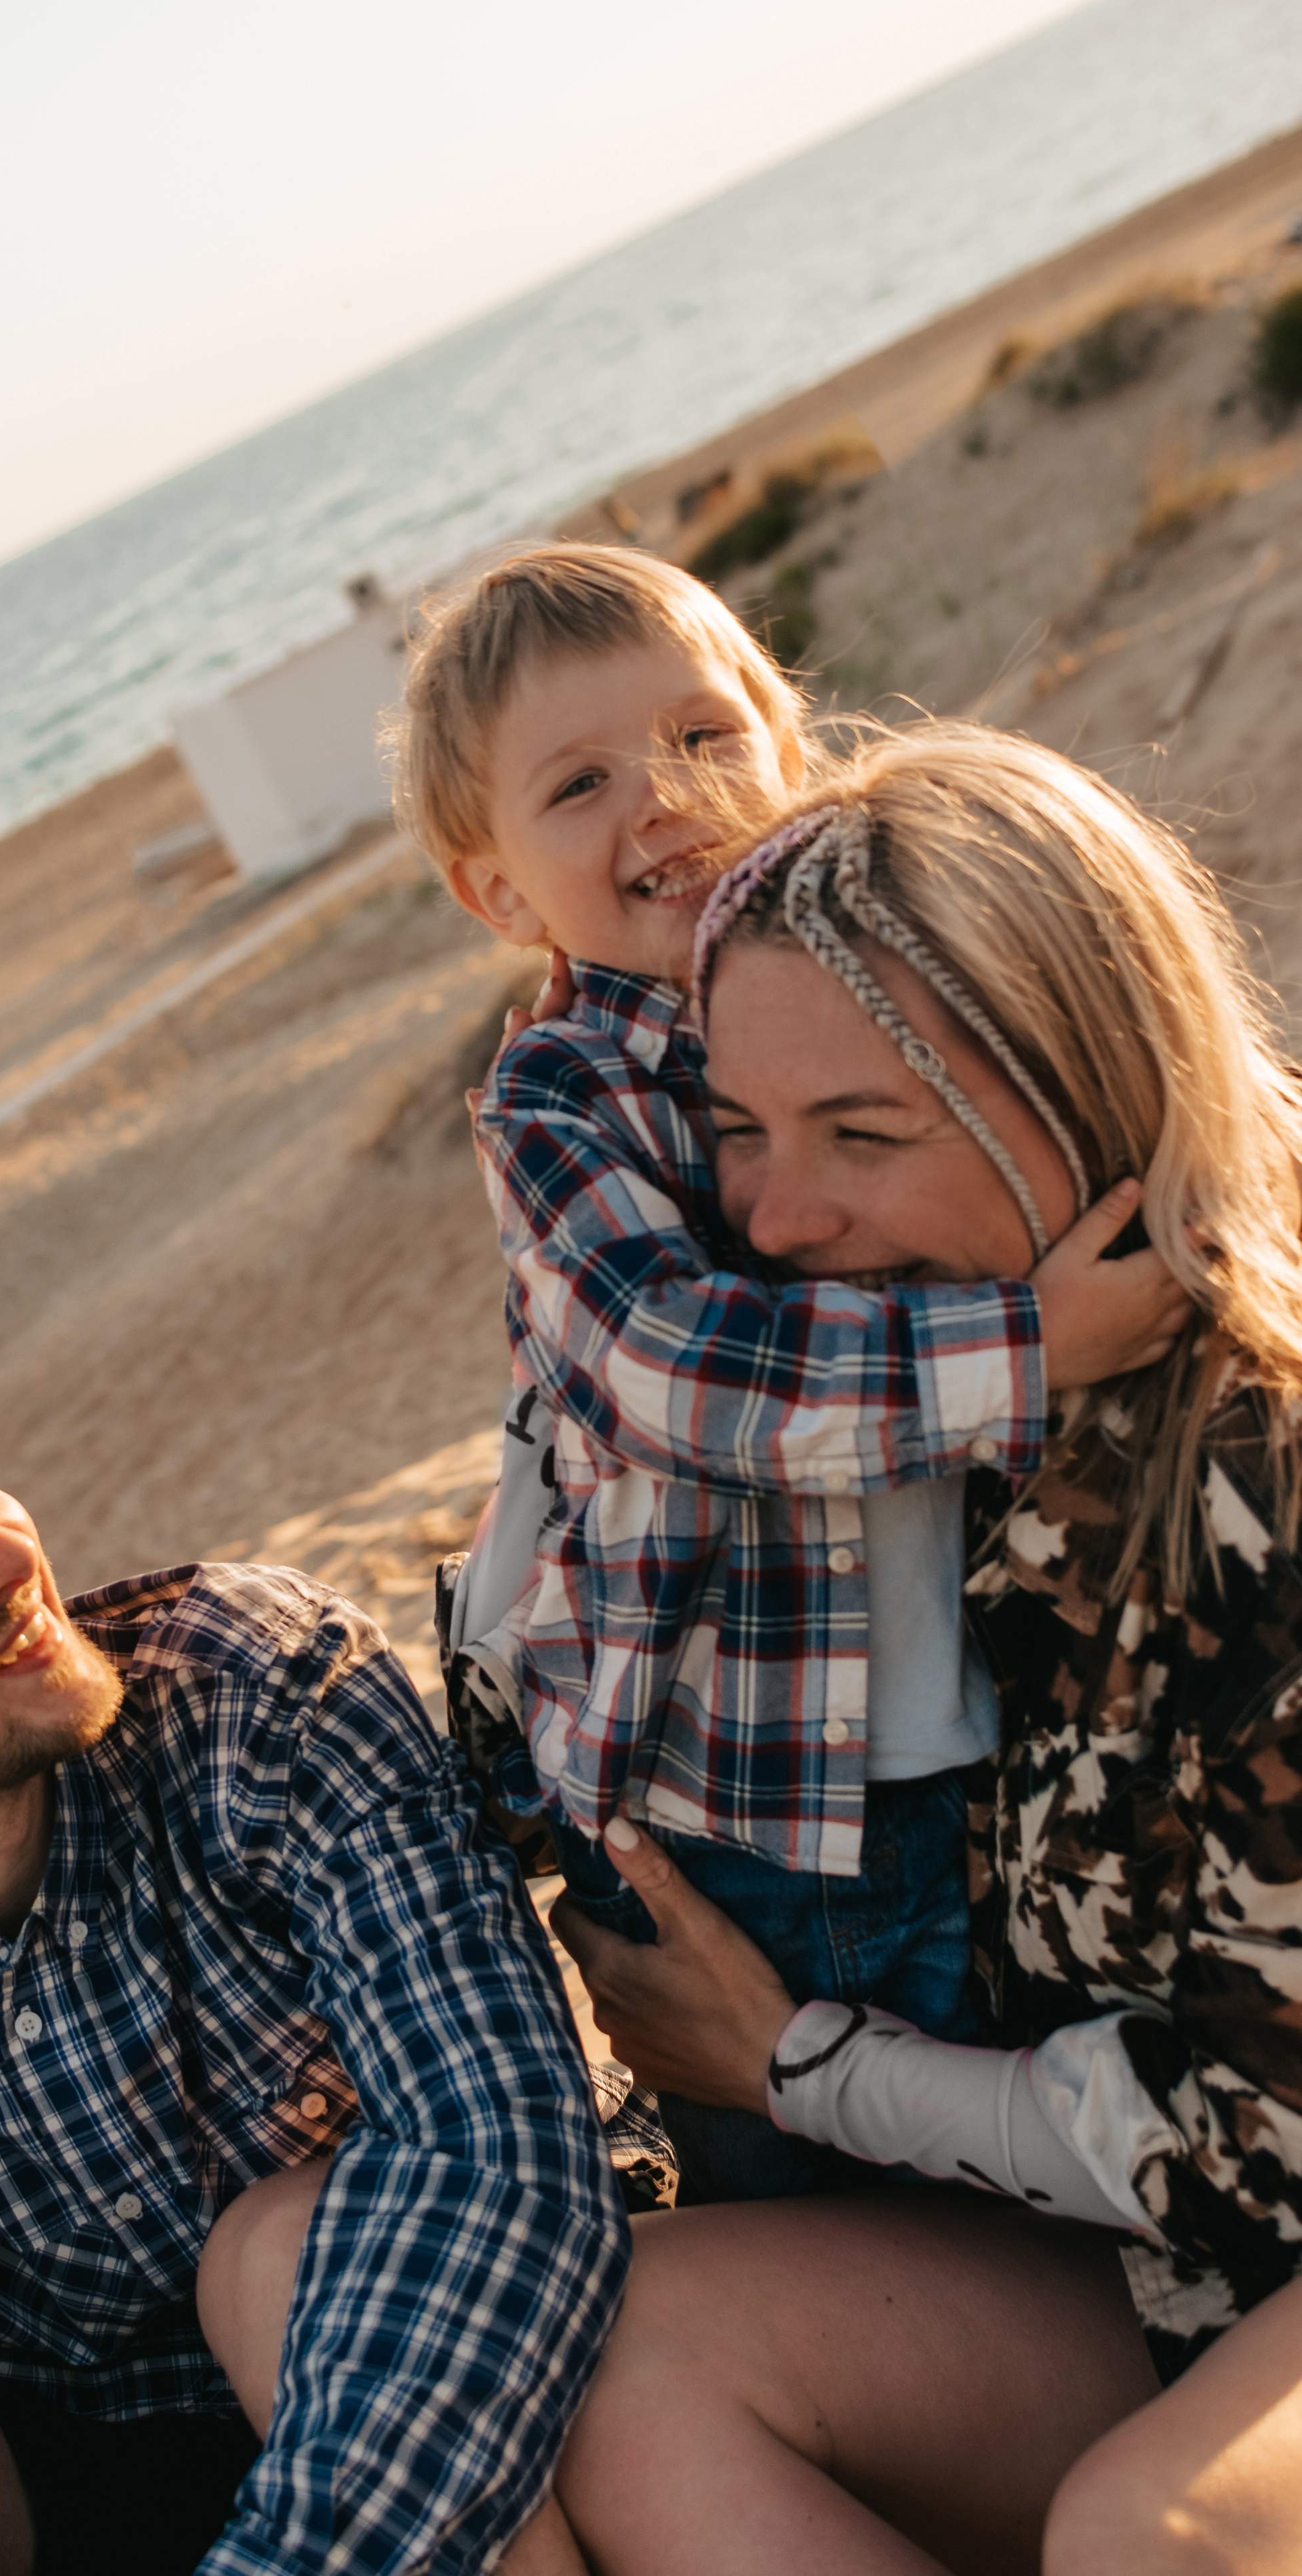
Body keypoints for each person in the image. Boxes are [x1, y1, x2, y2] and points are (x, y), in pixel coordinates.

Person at [543, 723, 1302, 2572]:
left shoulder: (1261, 1472)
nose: (778, 1221)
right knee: (626, 2360)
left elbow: (1265, 2138)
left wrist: (799, 2067)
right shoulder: (883, 1416)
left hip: (1261, 2198)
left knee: (1145, 2529)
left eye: (863, 1135)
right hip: (1161, 2271)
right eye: (737, 1126)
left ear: (1103, 1096)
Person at [0, 1248, 626, 2576]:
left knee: (288, 2247)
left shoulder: (248, 1690)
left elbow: (497, 2150)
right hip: (74, 2472)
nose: (2, 1554)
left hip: (428, 2360)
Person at [391, 543, 1189, 2199]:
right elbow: (680, 1377)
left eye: (701, 735)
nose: (662, 800)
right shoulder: (561, 1100)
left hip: (962, 1749)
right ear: (495, 892)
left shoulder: (884, 961)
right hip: (730, 1806)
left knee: (996, 2179)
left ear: (787, 737)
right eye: (578, 782)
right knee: (801, 2201)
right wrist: (1026, 1347)